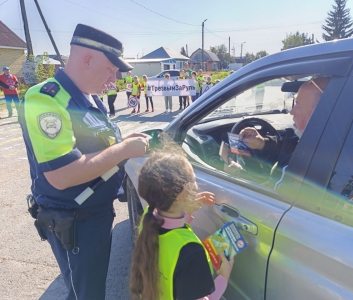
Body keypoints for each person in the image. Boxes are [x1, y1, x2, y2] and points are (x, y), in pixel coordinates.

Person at [19, 24, 149, 300]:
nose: (113, 79)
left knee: (89, 289)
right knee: (86, 294)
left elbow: (98, 144)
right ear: (87, 59)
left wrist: (125, 141)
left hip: (94, 214)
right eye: (110, 70)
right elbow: (62, 174)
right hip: (75, 219)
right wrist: (125, 149)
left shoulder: (87, 96)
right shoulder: (46, 99)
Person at [130, 145, 234, 300]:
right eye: (193, 179)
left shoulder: (149, 215)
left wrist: (188, 206)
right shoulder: (190, 251)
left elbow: (168, 224)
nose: (196, 184)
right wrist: (224, 277)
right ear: (182, 193)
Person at [226, 77, 330, 187]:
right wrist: (262, 143)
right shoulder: (316, 143)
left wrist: (239, 174)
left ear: (319, 114)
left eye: (298, 105)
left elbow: (272, 196)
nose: (292, 112)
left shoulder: (305, 161)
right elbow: (288, 147)